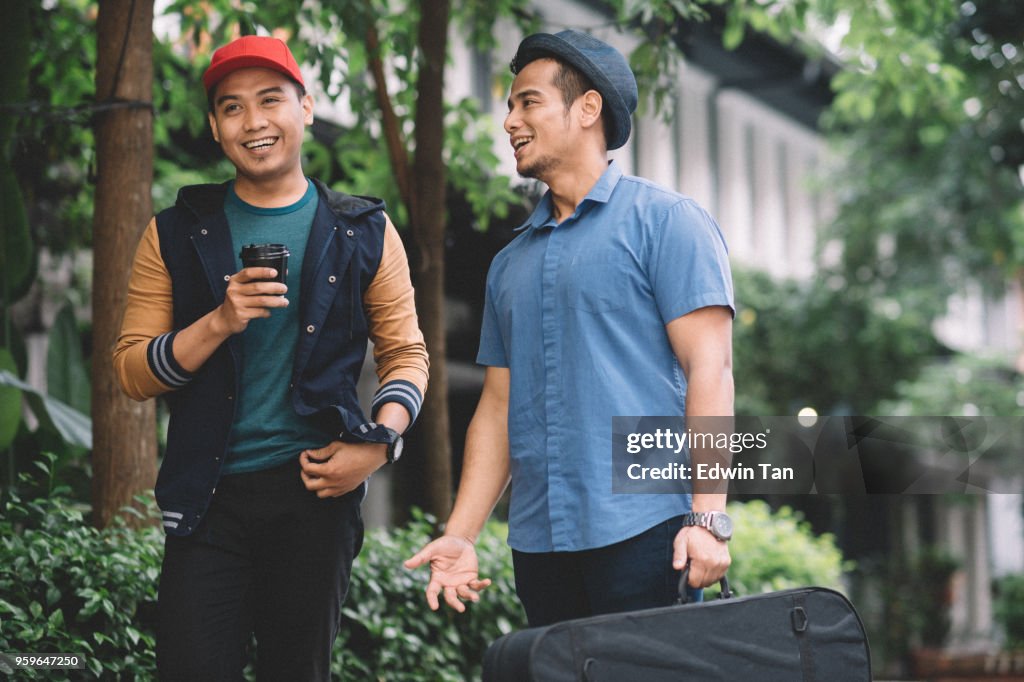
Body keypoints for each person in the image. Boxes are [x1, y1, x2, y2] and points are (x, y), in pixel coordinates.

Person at [113, 35, 428, 680]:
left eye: (270, 100)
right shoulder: (174, 230)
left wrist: (379, 444)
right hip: (208, 501)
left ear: (306, 108)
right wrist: (220, 322)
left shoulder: (364, 229)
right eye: (231, 108)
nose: (253, 122)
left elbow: (407, 356)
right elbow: (131, 371)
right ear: (214, 127)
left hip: (315, 495)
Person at [405, 29, 734, 627]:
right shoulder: (508, 265)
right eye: (509, 105)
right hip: (540, 544)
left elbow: (710, 370)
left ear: (588, 109)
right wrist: (461, 533)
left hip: (646, 529)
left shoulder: (668, 224)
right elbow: (498, 407)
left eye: (528, 101)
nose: (509, 120)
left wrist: (708, 519)